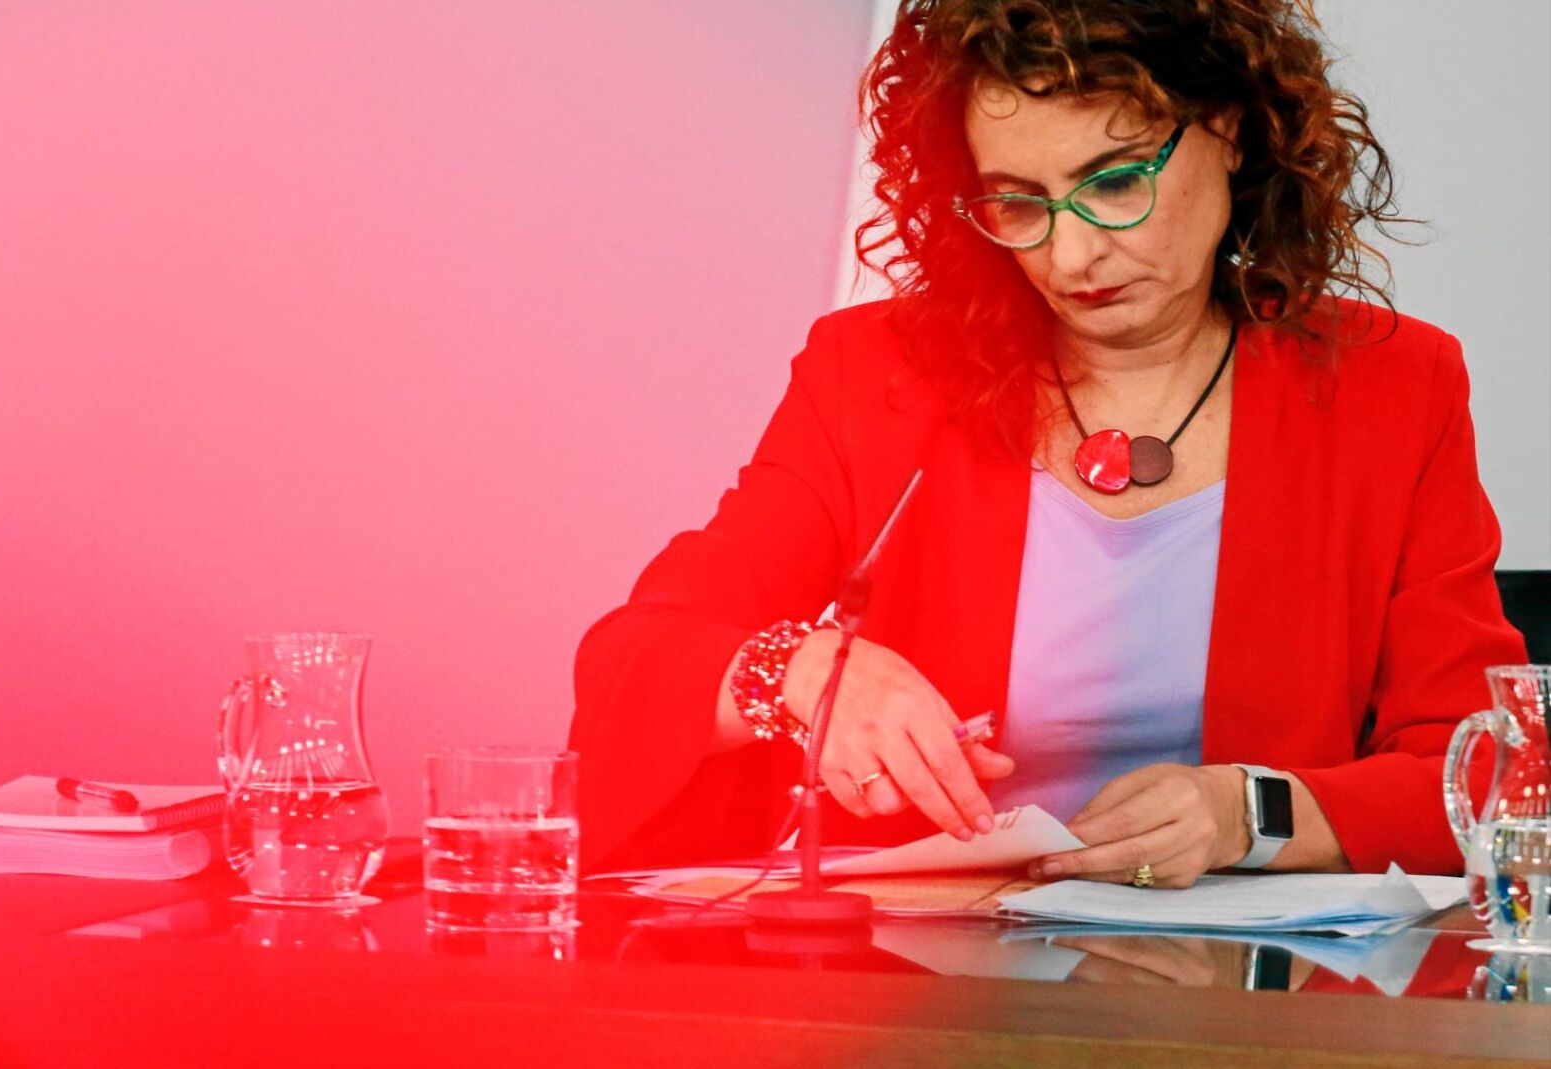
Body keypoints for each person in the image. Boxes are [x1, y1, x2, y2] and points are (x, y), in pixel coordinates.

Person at [569, 0, 1527, 886]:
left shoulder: (1393, 386)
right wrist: (798, 671)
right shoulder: (877, 375)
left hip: (1249, 987)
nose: (1070, 256)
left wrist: (1251, 813)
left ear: (1230, 128)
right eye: (1019, 202)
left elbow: (1491, 765)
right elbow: (634, 662)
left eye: (1115, 182)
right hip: (916, 982)